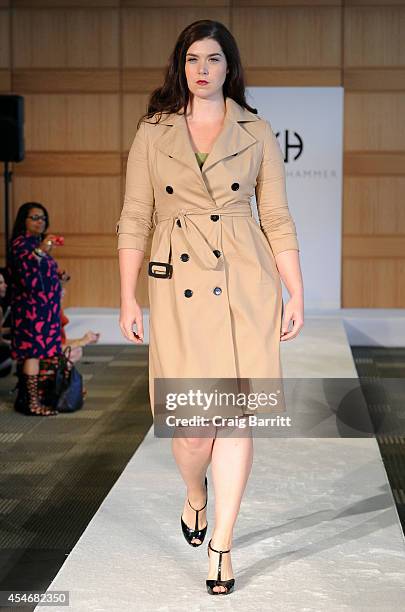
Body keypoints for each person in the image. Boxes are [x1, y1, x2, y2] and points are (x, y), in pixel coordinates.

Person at [116, 20, 304, 595]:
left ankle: (222, 543)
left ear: (230, 67)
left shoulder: (256, 130)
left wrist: (296, 289)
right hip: (178, 286)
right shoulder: (154, 133)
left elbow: (274, 215)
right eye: (193, 58)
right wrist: (126, 295)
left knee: (236, 416)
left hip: (245, 280)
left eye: (214, 58)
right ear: (181, 67)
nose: (202, 68)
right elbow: (134, 217)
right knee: (195, 428)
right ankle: (195, 492)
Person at [7, 202, 63, 416]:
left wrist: (58, 278)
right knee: (32, 353)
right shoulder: (21, 244)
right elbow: (26, 273)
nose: (41, 222)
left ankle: (28, 399)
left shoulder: (37, 243)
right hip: (30, 311)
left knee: (40, 354)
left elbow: (41, 274)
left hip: (44, 310)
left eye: (43, 218)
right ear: (24, 221)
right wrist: (42, 250)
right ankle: (31, 403)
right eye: (35, 218)